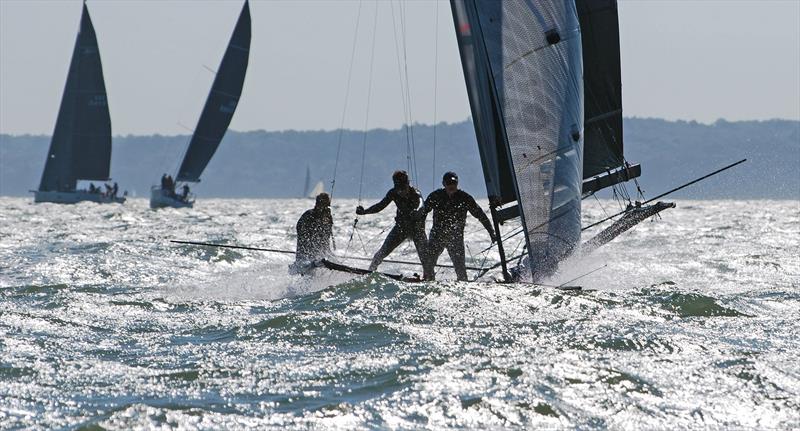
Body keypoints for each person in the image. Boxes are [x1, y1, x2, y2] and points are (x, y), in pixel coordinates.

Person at [416, 171, 496, 281]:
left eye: (453, 183)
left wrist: (492, 232)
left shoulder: (464, 198)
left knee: (461, 271)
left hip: (455, 238)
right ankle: (429, 281)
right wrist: (420, 231)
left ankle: (463, 285)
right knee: (428, 264)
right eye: (448, 183)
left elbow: (481, 215)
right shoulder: (436, 196)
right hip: (437, 236)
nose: (451, 186)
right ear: (443, 184)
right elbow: (423, 213)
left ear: (457, 183)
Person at [356, 170, 433, 279]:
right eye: (399, 189)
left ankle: (428, 277)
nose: (402, 191)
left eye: (404, 188)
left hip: (417, 230)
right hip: (401, 229)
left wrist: (417, 210)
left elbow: (421, 205)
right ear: (395, 186)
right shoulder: (393, 193)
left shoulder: (415, 193)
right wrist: (364, 212)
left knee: (426, 259)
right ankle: (369, 274)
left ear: (408, 184)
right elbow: (380, 206)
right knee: (380, 254)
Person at [292, 192, 334, 272]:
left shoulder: (328, 217)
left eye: (327, 206)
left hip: (320, 253)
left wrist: (328, 253)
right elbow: (300, 231)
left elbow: (326, 239)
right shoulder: (309, 215)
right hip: (304, 252)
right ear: (317, 204)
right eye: (322, 205)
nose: (325, 208)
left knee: (330, 258)